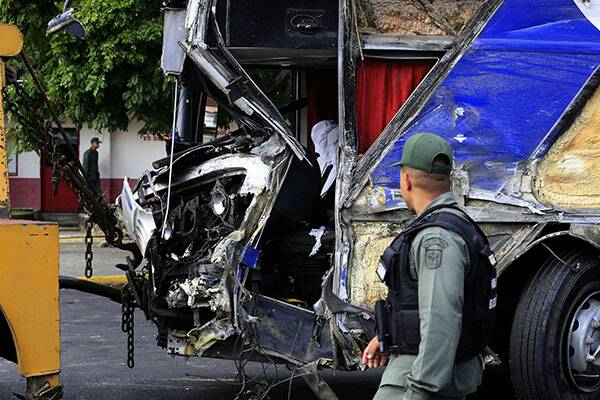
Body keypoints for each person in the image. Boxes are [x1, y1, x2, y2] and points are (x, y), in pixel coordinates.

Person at [362, 132, 496, 400]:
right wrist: (391, 337)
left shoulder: (436, 239)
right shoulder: (451, 225)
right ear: (446, 180)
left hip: (421, 376)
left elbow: (441, 318)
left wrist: (418, 390)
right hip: (433, 367)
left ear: (406, 179)